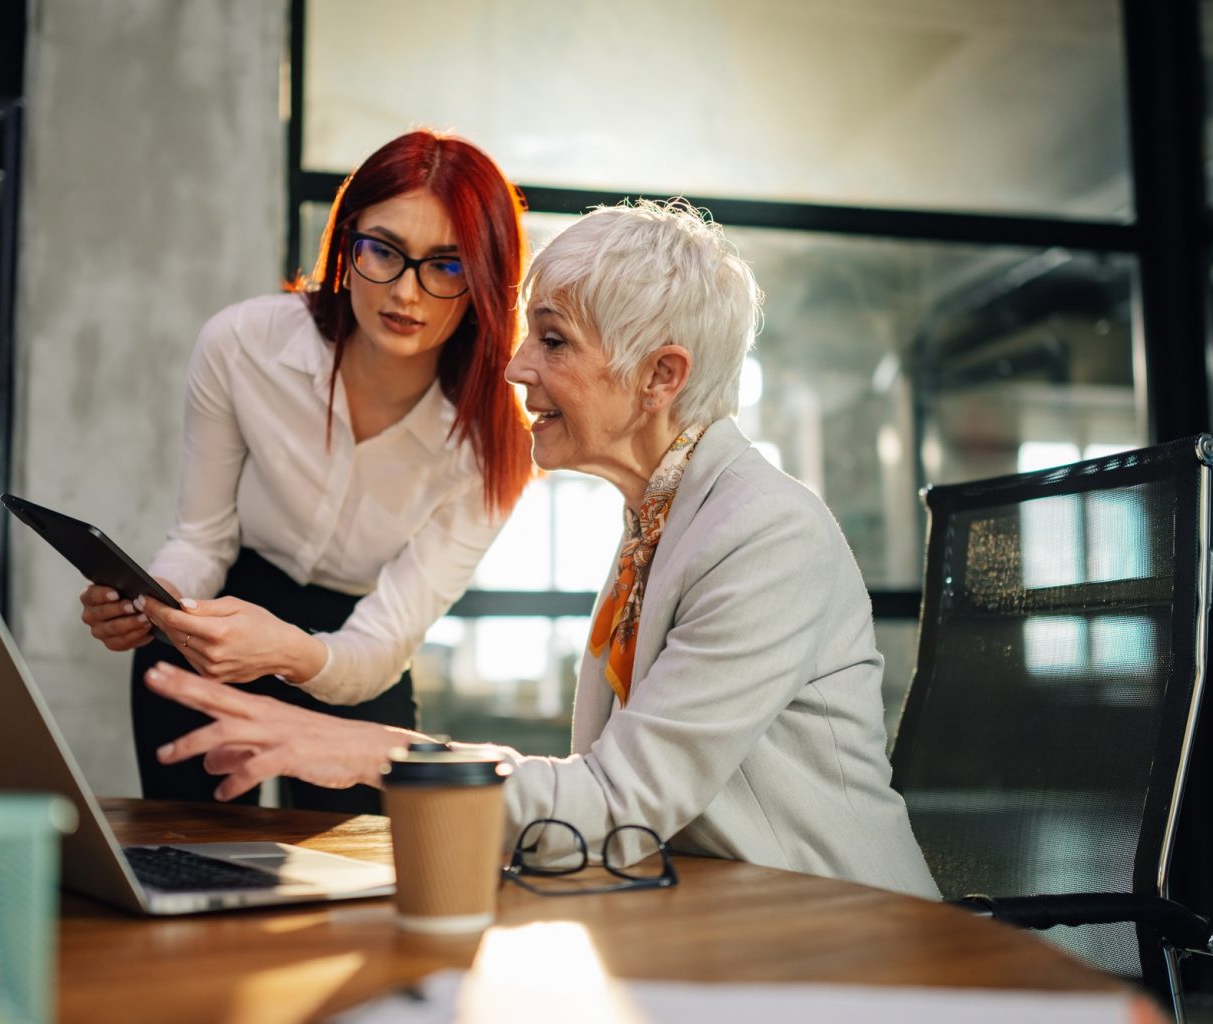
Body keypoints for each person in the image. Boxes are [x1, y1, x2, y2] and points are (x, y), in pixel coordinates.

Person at [141, 199, 938, 895]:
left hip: (842, 939)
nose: (517, 366)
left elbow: (615, 807)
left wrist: (368, 751)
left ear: (662, 375)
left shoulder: (765, 534)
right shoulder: (658, 521)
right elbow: (609, 806)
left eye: (552, 342)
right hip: (721, 916)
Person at [78, 131, 534, 813]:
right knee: (189, 861)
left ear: (484, 282)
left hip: (359, 646)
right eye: (383, 251)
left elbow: (381, 644)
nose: (407, 293)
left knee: (350, 891)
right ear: (346, 241)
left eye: (446, 266)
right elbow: (201, 539)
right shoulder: (242, 344)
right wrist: (154, 602)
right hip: (222, 612)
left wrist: (287, 651)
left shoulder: (495, 445)